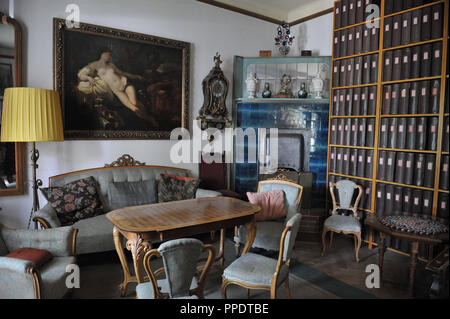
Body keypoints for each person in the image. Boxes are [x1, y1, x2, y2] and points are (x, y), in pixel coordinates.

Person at [77, 48, 158, 127]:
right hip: (117, 91)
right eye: (108, 54)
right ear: (102, 54)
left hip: (124, 83)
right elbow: (81, 75)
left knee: (134, 102)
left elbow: (122, 73)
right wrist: (88, 78)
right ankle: (150, 119)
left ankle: (150, 115)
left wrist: (136, 76)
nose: (109, 56)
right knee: (133, 108)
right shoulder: (94, 64)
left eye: (110, 55)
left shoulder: (111, 65)